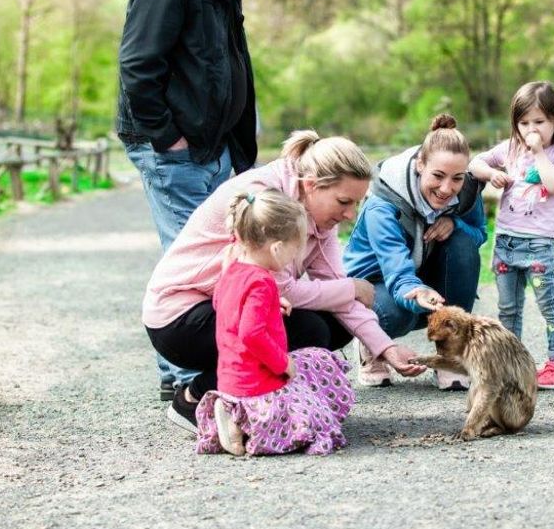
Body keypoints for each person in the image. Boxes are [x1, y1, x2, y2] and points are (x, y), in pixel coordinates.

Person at [115, 0, 293, 398]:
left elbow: (233, 70)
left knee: (219, 254)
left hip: (212, 148)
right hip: (174, 150)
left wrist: (239, 149)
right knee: (195, 262)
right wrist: (168, 137)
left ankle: (204, 374)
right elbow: (137, 66)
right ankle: (185, 382)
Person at [143, 131, 425, 434]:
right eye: (344, 201)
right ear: (312, 185)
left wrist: (386, 348)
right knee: (306, 327)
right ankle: (195, 397)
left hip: (228, 310)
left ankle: (260, 398)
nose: (349, 214)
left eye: (356, 203)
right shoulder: (269, 199)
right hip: (181, 319)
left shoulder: (318, 216)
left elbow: (335, 289)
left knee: (333, 323)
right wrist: (352, 289)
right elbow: (279, 288)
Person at [194, 190, 355, 456]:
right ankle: (243, 422)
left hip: (232, 382)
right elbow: (251, 334)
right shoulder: (263, 281)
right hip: (259, 386)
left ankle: (233, 412)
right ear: (277, 247)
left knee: (313, 361)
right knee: (313, 407)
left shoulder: (232, 268)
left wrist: (271, 303)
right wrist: (282, 362)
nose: (293, 258)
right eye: (294, 251)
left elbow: (223, 305)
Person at [343, 114, 487, 390]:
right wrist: (419, 293)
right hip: (377, 284)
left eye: (457, 178)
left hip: (422, 275)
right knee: (400, 314)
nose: (447, 189)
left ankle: (451, 355)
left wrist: (454, 223)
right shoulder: (383, 206)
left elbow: (479, 234)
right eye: (438, 176)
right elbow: (397, 274)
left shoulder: (466, 191)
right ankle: (371, 341)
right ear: (420, 164)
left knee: (463, 243)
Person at [469, 81, 554, 390]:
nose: (531, 129)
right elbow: (475, 162)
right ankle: (510, 365)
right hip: (506, 242)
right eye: (524, 122)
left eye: (539, 122)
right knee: (508, 309)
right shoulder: (509, 148)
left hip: (539, 247)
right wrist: (491, 174)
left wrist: (538, 152)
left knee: (549, 306)